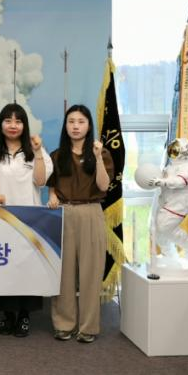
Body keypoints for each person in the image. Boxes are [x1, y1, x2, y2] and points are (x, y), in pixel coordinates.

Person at [0, 103, 53, 338]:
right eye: (8, 120)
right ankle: (7, 315)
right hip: (2, 220)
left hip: (30, 220)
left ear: (24, 125)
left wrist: (38, 151)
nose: (13, 125)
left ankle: (24, 315)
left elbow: (41, 182)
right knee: (4, 266)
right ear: (1, 124)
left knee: (28, 267)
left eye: (18, 121)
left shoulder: (35, 152)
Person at [47, 104, 113, 344]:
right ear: (66, 126)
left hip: (90, 212)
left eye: (81, 122)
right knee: (63, 272)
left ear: (88, 126)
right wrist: (52, 195)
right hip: (63, 213)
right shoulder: (57, 155)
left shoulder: (101, 153)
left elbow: (104, 185)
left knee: (90, 272)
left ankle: (88, 327)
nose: (75, 126)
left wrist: (97, 157)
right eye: (71, 121)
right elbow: (51, 184)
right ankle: (64, 324)